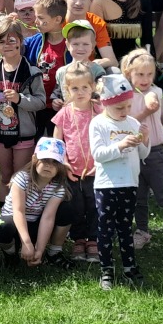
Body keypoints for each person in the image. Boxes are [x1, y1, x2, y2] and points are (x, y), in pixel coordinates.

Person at [90, 75, 149, 290]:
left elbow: (143, 154)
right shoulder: (98, 123)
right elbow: (98, 154)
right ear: (105, 103)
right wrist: (121, 145)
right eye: (119, 107)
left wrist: (145, 140)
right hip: (107, 185)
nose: (125, 111)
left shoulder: (133, 123)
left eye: (128, 106)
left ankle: (129, 267)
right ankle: (106, 269)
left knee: (125, 227)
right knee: (105, 228)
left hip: (130, 183)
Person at [121, 49, 163, 251]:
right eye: (140, 74)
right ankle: (142, 231)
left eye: (149, 74)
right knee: (138, 196)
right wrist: (145, 112)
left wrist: (148, 109)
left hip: (154, 151)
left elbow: (151, 102)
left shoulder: (154, 92)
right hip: (134, 152)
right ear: (128, 73)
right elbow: (125, 123)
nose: (145, 79)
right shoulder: (125, 96)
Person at [0, 14, 45, 206]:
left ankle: (21, 213)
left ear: (20, 42)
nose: (6, 45)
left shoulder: (31, 72)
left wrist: (19, 99)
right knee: (5, 175)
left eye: (11, 40)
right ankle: (4, 214)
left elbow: (41, 101)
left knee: (20, 177)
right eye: (1, 42)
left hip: (24, 133)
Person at [0, 138, 74, 267]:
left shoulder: (58, 187)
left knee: (67, 209)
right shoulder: (22, 178)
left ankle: (54, 252)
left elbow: (48, 217)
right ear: (35, 159)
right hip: (14, 223)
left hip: (36, 225)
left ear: (62, 165)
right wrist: (26, 243)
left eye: (55, 162)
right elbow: (18, 212)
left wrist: (39, 250)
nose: (49, 165)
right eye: (45, 160)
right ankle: (10, 254)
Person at [51, 62, 103, 262]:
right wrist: (64, 163)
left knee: (95, 205)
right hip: (72, 170)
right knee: (76, 206)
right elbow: (57, 142)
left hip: (96, 169)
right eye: (74, 88)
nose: (80, 92)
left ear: (92, 88)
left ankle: (94, 239)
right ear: (67, 90)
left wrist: (101, 163)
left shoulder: (99, 110)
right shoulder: (64, 113)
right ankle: (78, 239)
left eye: (84, 87)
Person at [22, 0, 68, 136]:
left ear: (57, 19)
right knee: (37, 141)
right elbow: (16, 46)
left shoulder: (70, 45)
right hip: (36, 103)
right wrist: (12, 26)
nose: (36, 21)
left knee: (56, 141)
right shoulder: (34, 41)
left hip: (59, 105)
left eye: (41, 18)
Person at [64, 0, 117, 69]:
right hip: (58, 69)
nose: (78, 3)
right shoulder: (56, 19)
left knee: (114, 70)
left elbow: (112, 61)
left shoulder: (96, 22)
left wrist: (96, 63)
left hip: (87, 70)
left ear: (91, 0)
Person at [54, 20, 107, 96]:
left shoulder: (97, 71)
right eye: (75, 44)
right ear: (68, 45)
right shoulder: (61, 72)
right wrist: (56, 99)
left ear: (93, 46)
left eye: (85, 44)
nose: (80, 48)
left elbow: (100, 94)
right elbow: (57, 93)